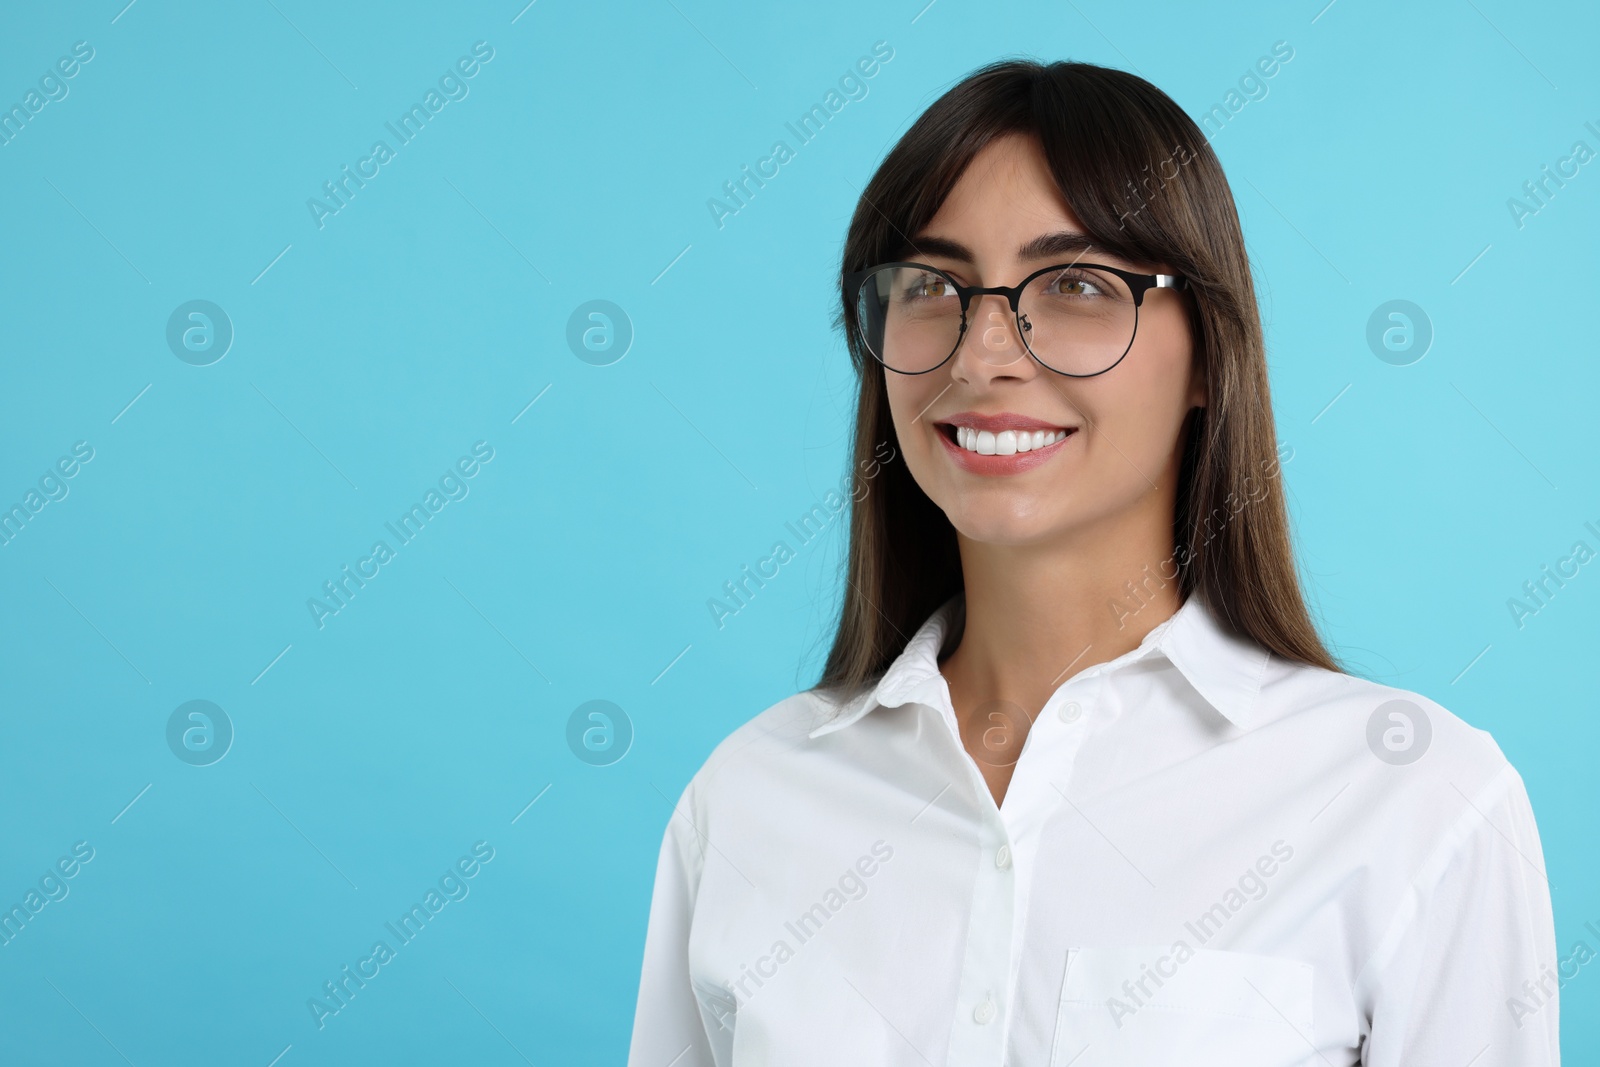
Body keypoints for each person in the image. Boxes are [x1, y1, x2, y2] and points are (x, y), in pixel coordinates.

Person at [626, 58, 1558, 1066]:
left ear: (1207, 352)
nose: (982, 354)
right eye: (932, 285)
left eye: (1075, 284)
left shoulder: (1413, 798)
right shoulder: (751, 798)